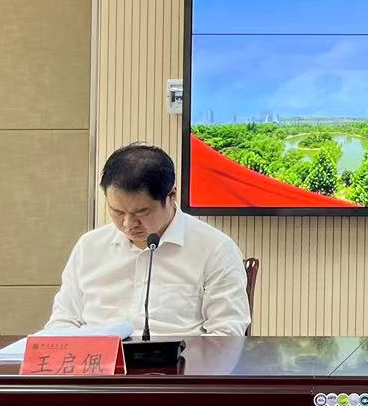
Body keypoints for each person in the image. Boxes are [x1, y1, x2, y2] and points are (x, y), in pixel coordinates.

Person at [46, 143, 251, 336]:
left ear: (171, 196)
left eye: (142, 212)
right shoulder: (90, 246)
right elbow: (63, 322)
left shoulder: (215, 249)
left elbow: (226, 335)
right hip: (98, 359)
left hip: (178, 360)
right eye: (117, 211)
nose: (128, 224)